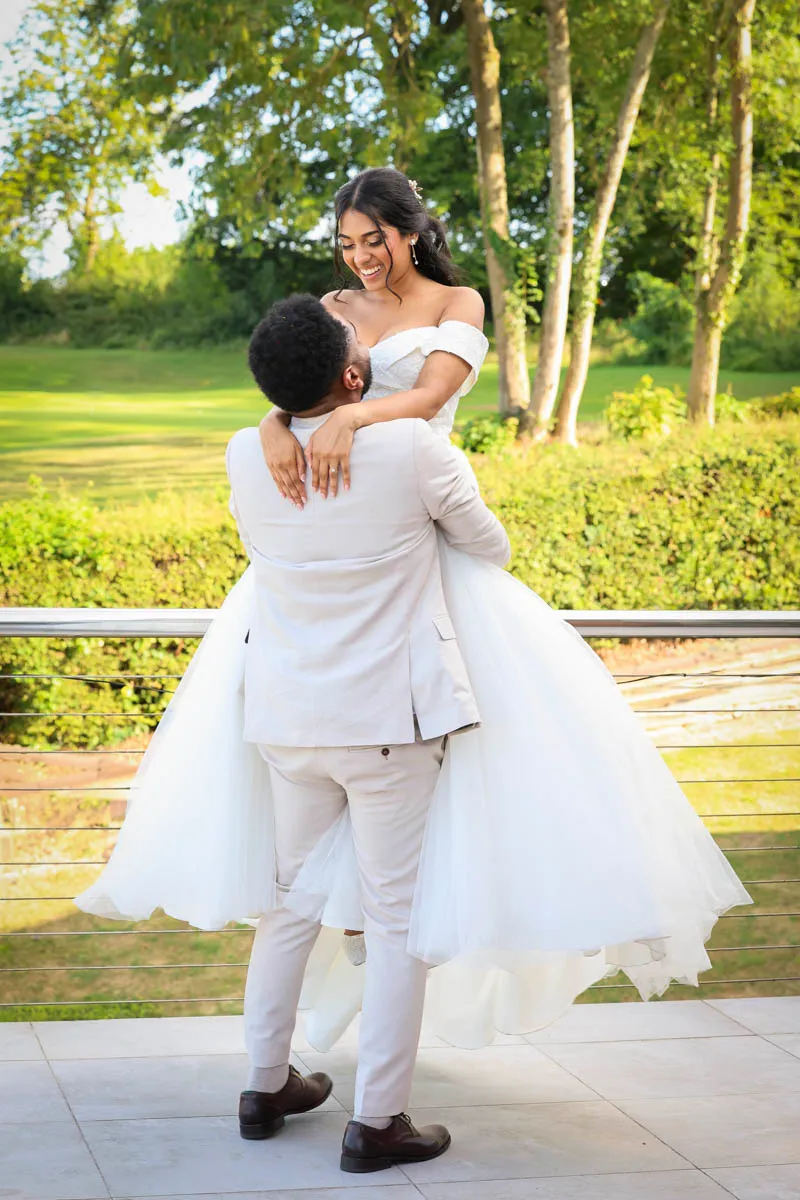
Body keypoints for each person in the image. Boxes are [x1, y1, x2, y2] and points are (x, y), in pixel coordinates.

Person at [77, 165, 751, 1061]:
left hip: (418, 545)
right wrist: (283, 427)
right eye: (347, 244)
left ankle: (310, 1048)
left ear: (412, 229)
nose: (360, 259)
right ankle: (365, 1072)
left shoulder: (458, 302)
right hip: (337, 546)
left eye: (374, 241)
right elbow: (293, 383)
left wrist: (354, 425)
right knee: (340, 833)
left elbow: (430, 399)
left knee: (466, 782)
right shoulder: (330, 312)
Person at [228, 293, 510, 1169]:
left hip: (284, 717)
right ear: (354, 378)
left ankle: (266, 1083)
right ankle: (377, 1121)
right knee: (393, 925)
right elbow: (489, 547)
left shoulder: (246, 452)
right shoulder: (413, 449)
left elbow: (291, 426)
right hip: (387, 723)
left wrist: (282, 419)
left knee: (286, 909)